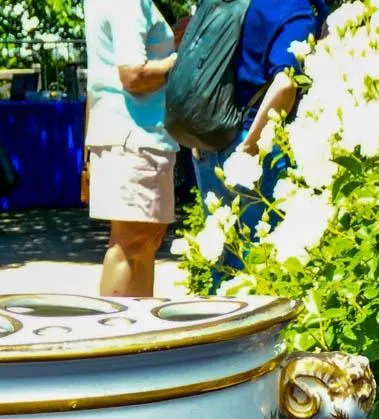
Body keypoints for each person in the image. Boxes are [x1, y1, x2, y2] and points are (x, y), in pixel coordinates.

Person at [192, 0, 327, 288]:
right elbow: (285, 84)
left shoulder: (236, 4)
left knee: (224, 266)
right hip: (253, 144)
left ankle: (222, 317)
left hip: (208, 142)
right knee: (263, 267)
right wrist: (250, 146)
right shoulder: (293, 9)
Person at [84, 0, 180, 297]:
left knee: (142, 243)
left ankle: (137, 322)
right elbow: (134, 76)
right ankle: (115, 324)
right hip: (136, 136)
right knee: (132, 244)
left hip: (130, 135)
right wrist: (182, 59)